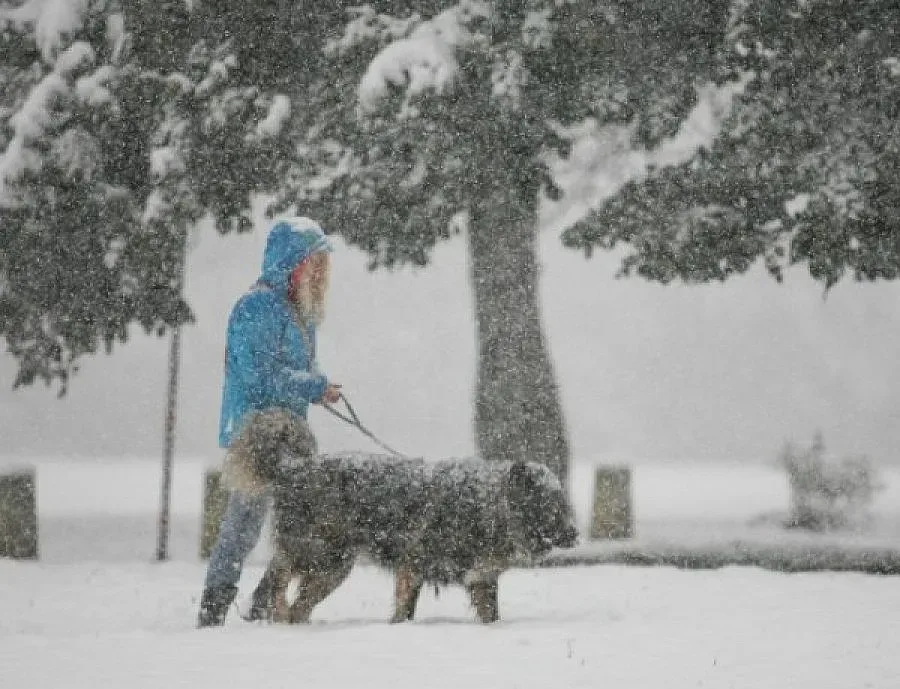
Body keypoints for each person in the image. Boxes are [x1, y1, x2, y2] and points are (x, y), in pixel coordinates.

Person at [197, 216, 342, 628]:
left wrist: (315, 388)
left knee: (296, 518)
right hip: (257, 436)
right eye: (313, 263)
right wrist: (314, 387)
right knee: (244, 524)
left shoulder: (297, 310)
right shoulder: (259, 306)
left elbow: (288, 372)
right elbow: (259, 375)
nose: (319, 273)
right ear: (291, 261)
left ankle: (262, 600)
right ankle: (214, 610)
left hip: (286, 434)